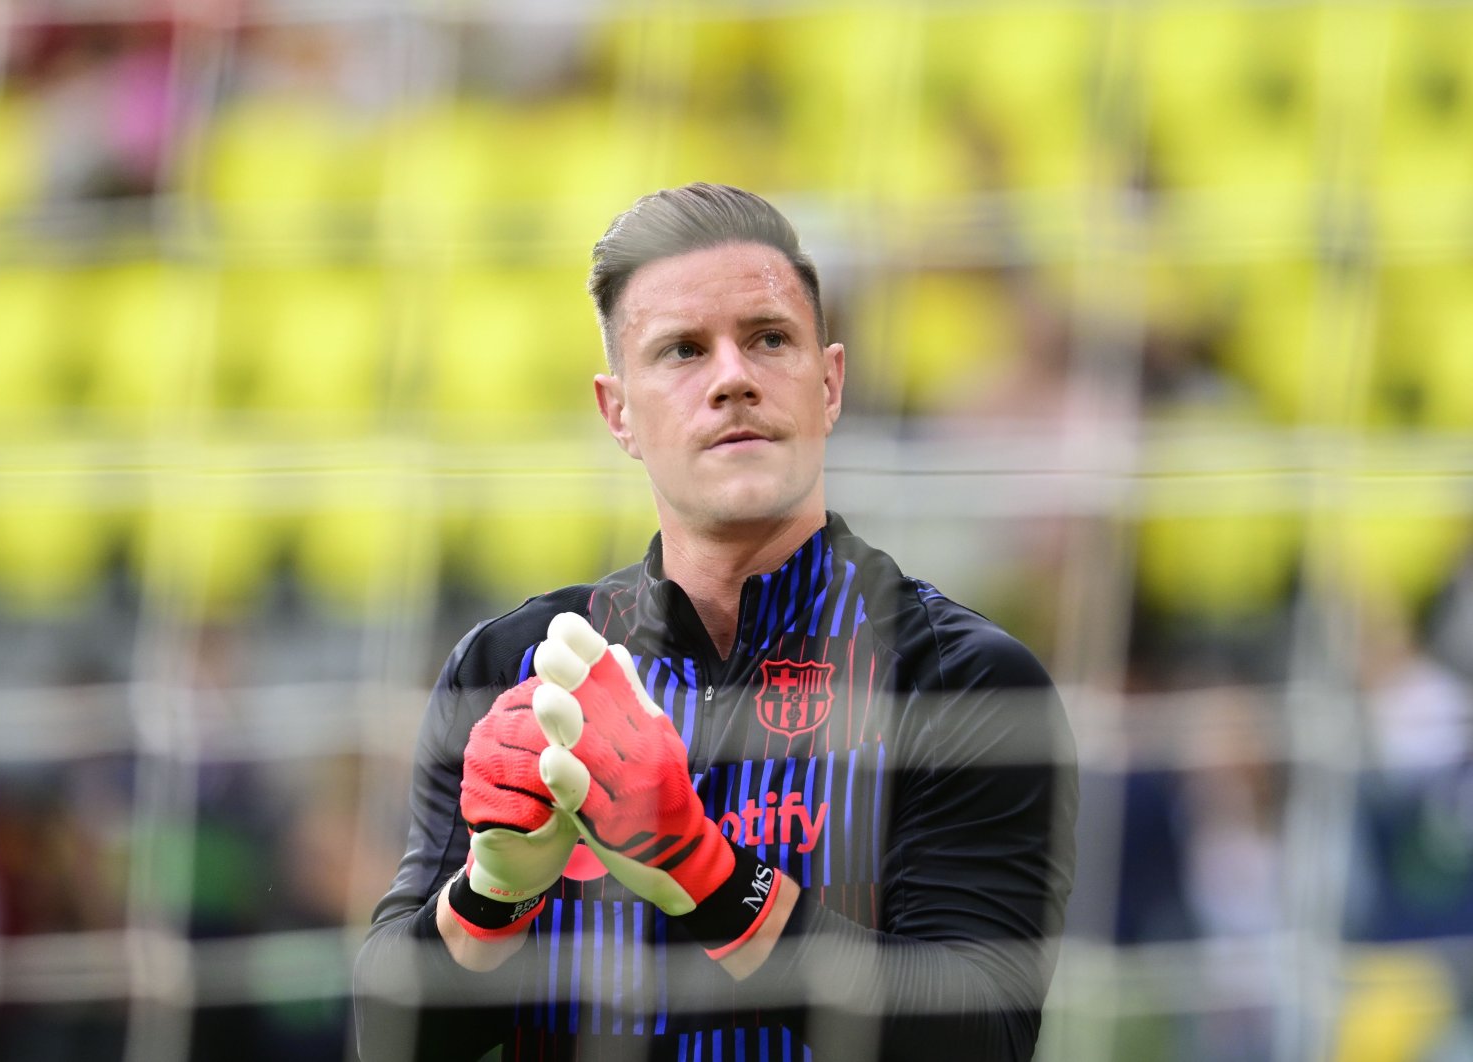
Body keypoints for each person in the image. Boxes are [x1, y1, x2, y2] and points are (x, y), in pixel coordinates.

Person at [353, 183, 1078, 1061]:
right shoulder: (514, 666)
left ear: (830, 381)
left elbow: (983, 1038)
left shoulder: (964, 679)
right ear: (618, 412)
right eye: (683, 350)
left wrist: (703, 869)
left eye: (769, 339)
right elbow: (384, 1040)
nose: (733, 377)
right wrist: (489, 896)